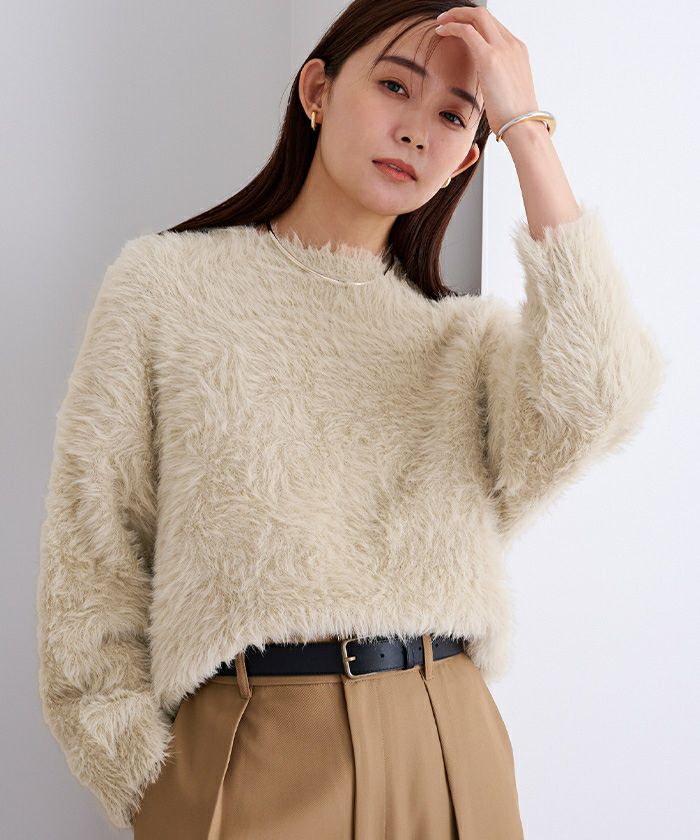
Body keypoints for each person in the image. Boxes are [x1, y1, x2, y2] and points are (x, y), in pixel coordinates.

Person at [36, 1, 667, 838]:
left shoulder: (466, 344)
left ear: (466, 159)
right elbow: (92, 560)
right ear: (318, 91)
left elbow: (601, 390)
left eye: (452, 116)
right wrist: (145, 782)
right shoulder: (165, 288)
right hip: (252, 748)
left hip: (449, 744)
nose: (414, 131)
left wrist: (525, 127)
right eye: (394, 87)